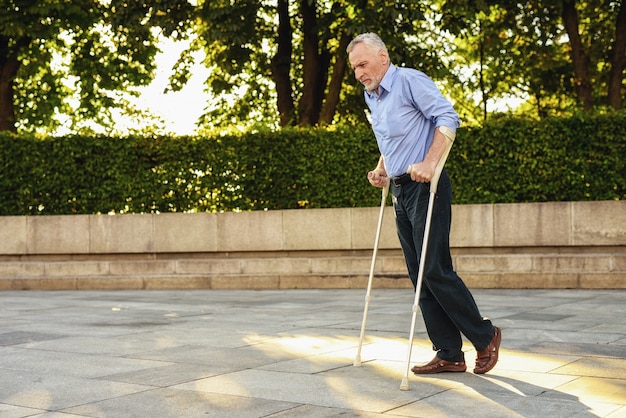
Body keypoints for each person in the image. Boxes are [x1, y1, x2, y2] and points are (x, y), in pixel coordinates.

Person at [347, 33, 501, 375]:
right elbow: (390, 140)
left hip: (427, 187)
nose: (358, 73)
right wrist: (382, 169)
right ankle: (449, 353)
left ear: (383, 57)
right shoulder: (371, 95)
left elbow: (448, 119)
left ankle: (486, 335)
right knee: (419, 275)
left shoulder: (409, 81)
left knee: (435, 269)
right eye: (354, 67)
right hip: (401, 191)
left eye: (363, 64)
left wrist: (430, 164)